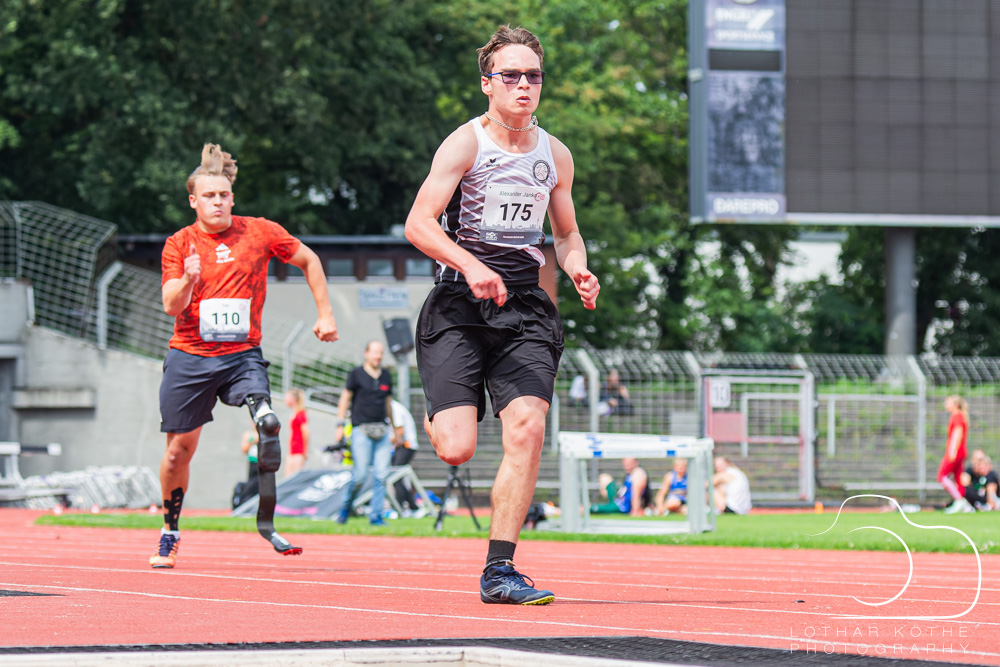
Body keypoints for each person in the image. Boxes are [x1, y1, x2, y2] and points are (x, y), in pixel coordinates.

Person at [404, 24, 600, 605]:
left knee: (528, 426)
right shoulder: (464, 144)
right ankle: (441, 412)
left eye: (532, 75)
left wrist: (578, 268)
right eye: (510, 75)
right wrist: (470, 266)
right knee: (456, 448)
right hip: (459, 304)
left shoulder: (555, 154)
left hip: (524, 307)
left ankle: (500, 569)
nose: (523, 85)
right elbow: (418, 224)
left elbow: (566, 233)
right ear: (487, 83)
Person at [152, 143, 339, 569]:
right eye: (209, 196)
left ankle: (264, 417)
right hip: (190, 355)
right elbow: (170, 305)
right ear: (193, 201)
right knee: (178, 453)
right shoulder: (180, 243)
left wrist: (325, 313)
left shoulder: (259, 232)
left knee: (265, 412)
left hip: (241, 354)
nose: (217, 202)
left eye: (223, 195)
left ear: (232, 197)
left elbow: (309, 260)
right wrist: (188, 279)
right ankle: (170, 532)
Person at [334, 340, 396, 526]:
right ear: (366, 353)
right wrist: (340, 424)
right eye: (375, 352)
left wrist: (394, 428)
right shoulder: (356, 374)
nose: (378, 356)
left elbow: (388, 404)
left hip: (382, 430)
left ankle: (376, 516)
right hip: (361, 430)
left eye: (381, 353)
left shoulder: (386, 376)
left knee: (381, 475)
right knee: (360, 475)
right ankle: (346, 507)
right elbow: (345, 399)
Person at [390, 398, 423, 517]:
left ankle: (400, 507)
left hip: (406, 446)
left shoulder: (394, 408)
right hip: (402, 447)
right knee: (398, 477)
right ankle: (412, 506)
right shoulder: (393, 407)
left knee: (395, 476)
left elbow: (399, 432)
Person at [939, 395, 969, 514]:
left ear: (955, 405)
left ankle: (959, 500)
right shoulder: (959, 416)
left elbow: (957, 433)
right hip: (960, 451)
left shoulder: (957, 416)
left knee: (942, 476)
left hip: (956, 451)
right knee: (957, 478)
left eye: (948, 403)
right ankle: (965, 507)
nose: (946, 405)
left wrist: (952, 450)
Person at [283, 388, 309, 478]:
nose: (285, 400)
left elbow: (306, 432)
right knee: (287, 477)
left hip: (299, 451)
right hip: (292, 450)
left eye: (287, 397)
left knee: (294, 478)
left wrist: (305, 451)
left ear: (293, 399)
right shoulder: (294, 413)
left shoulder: (301, 414)